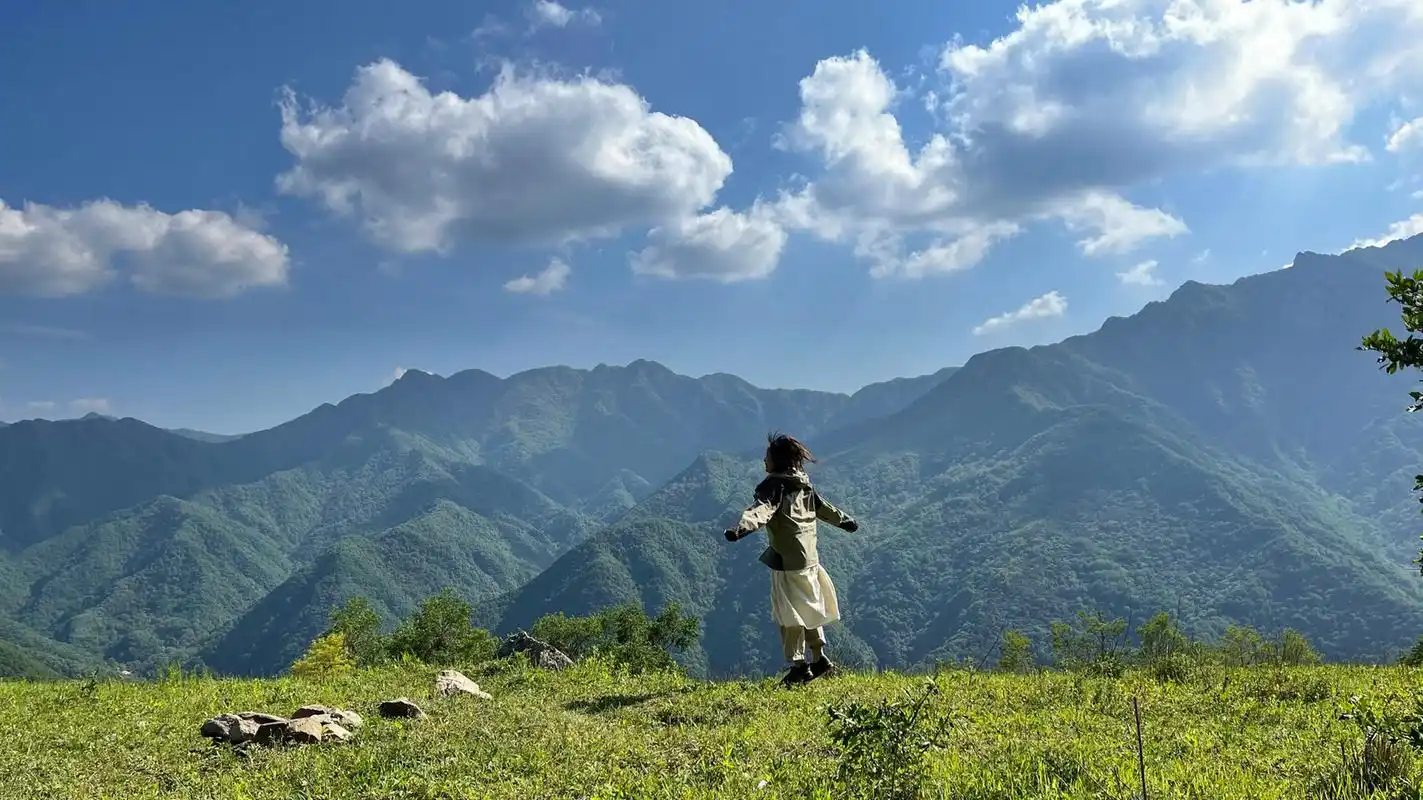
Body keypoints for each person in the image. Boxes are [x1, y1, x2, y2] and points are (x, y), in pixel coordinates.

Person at [722, 432, 859, 687]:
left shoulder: (774, 486)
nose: (764, 462)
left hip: (788, 562)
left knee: (789, 615)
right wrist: (846, 521)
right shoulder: (803, 485)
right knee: (809, 609)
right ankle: (819, 657)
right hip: (810, 560)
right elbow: (825, 509)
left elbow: (760, 511)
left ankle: (799, 666)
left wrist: (740, 529)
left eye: (767, 457)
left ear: (778, 461)